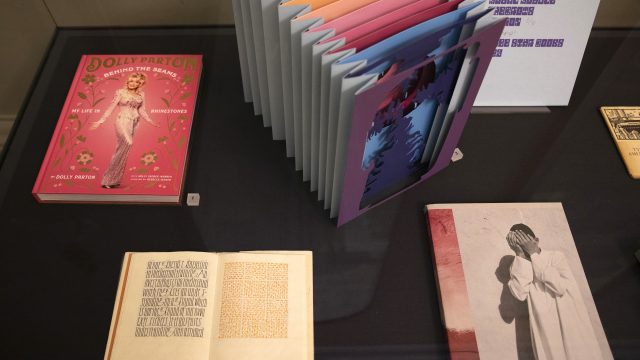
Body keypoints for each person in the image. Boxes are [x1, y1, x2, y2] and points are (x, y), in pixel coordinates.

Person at [506, 224, 604, 360]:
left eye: (525, 242)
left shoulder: (556, 256)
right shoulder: (519, 264)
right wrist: (520, 255)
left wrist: (534, 254)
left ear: (536, 240)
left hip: (568, 320)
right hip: (545, 326)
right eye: (518, 244)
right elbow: (520, 294)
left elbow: (559, 287)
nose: (523, 247)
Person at [90, 72, 158, 188]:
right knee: (128, 143)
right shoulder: (120, 92)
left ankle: (113, 180)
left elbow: (142, 110)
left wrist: (151, 121)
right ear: (128, 81)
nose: (132, 83)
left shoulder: (141, 94)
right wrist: (100, 121)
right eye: (131, 81)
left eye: (136, 82)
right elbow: (110, 108)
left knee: (122, 150)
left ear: (139, 84)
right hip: (122, 121)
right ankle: (108, 179)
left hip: (134, 123)